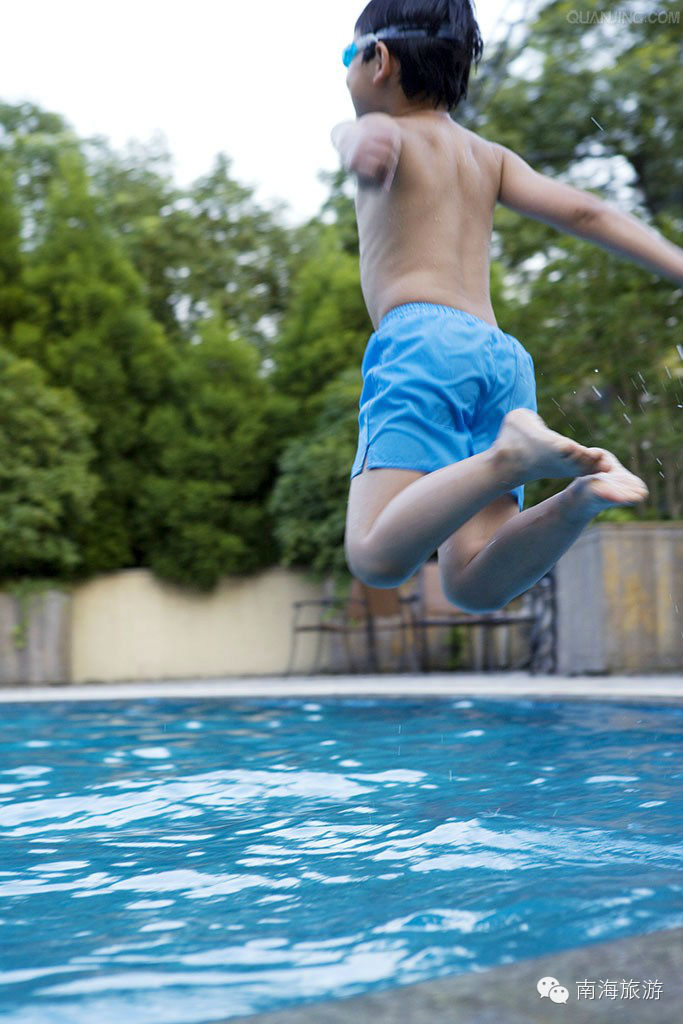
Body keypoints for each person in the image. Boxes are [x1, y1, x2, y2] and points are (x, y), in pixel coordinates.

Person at [331, 0, 683, 613]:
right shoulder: (487, 156)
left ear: (378, 59)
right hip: (501, 361)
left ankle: (511, 456)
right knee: (470, 581)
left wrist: (352, 136)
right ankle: (583, 496)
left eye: (345, 58)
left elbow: (353, 135)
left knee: (374, 556)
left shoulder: (379, 134)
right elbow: (587, 211)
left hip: (421, 344)